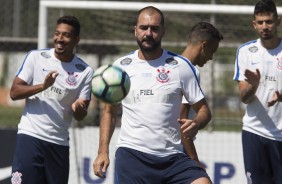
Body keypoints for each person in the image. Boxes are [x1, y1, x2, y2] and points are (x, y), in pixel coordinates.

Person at [93, 6, 212, 184]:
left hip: (172, 157)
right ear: (135, 30)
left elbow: (204, 111)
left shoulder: (181, 66)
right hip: (133, 155)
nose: (148, 33)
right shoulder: (121, 67)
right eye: (143, 28)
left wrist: (196, 123)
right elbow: (109, 112)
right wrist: (103, 151)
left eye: (154, 28)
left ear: (163, 31)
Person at [10, 15, 94, 184]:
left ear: (77, 39)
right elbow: (14, 92)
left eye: (66, 35)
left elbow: (80, 115)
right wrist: (43, 86)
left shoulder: (85, 71)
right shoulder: (36, 57)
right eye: (57, 33)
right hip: (30, 136)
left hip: (59, 143)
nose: (60, 39)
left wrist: (78, 108)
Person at [233, 0, 282, 183]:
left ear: (278, 22)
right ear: (254, 25)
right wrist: (253, 85)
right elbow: (244, 98)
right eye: (260, 22)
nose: (265, 27)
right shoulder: (246, 52)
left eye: (269, 21)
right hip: (254, 133)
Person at [180, 22, 223, 170]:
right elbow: (182, 122)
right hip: (176, 152)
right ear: (203, 45)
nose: (211, 58)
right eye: (212, 51)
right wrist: (194, 160)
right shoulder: (188, 70)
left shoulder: (171, 65)